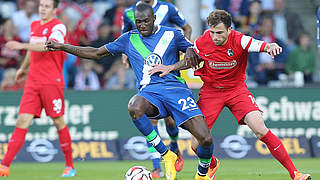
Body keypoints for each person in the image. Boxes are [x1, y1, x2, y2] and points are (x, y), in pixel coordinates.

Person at [46, 3, 214, 180]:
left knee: (206, 139)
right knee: (134, 106)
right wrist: (63, 46)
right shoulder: (128, 39)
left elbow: (194, 53)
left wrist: (187, 52)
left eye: (146, 21)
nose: (142, 25)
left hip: (176, 91)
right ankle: (166, 155)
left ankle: (202, 175)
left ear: (154, 18)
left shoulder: (172, 34)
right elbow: (96, 52)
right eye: (139, 22)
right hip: (151, 94)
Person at [149, 9, 311, 180]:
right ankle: (212, 164)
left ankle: (295, 173)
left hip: (236, 90)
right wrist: (170, 67)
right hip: (211, 91)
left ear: (229, 29)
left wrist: (270, 46)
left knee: (260, 128)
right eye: (212, 32)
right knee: (196, 145)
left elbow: (259, 45)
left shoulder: (240, 40)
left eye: (219, 33)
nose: (215, 37)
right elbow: (190, 61)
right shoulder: (202, 42)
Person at [0, 0, 75, 177]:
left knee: (58, 122)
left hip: (51, 81)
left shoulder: (59, 27)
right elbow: (31, 51)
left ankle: (70, 166)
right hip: (32, 81)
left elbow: (49, 46)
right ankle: (4, 165)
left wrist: (21, 45)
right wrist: (23, 68)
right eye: (41, 5)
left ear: (55, 10)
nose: (43, 8)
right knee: (22, 121)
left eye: (47, 6)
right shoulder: (34, 25)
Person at [122, 0, 192, 177]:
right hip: (145, 69)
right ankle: (157, 166)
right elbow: (125, 35)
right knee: (148, 117)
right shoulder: (130, 12)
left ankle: (174, 145)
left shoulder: (168, 8)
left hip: (168, 70)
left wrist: (186, 48)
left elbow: (187, 27)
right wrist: (125, 54)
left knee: (170, 121)